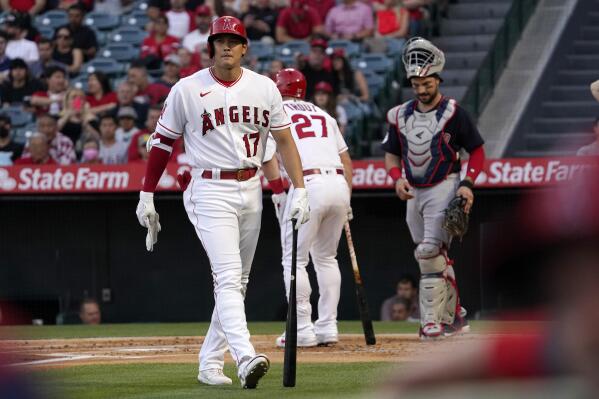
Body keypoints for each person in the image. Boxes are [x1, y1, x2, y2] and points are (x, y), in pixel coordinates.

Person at [135, 16, 309, 388]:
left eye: (234, 40)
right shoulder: (186, 88)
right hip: (209, 187)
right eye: (220, 40)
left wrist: (301, 188)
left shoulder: (265, 88)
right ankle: (246, 358)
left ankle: (209, 363)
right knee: (228, 278)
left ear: (245, 47)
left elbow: (284, 142)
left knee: (238, 283)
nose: (226, 46)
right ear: (211, 46)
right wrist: (146, 193)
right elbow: (162, 143)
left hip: (251, 188)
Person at [381, 37, 485, 339]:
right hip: (413, 190)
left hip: (445, 184)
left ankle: (431, 322)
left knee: (428, 252)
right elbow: (392, 153)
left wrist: (467, 184)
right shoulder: (400, 115)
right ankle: (456, 318)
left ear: (437, 79)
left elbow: (477, 151)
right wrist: (395, 178)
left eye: (426, 83)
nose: (422, 89)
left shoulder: (455, 113)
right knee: (433, 254)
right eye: (416, 84)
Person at [262, 68, 352, 348]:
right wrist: (347, 199)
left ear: (279, 88)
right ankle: (327, 326)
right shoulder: (324, 113)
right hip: (338, 183)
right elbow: (347, 161)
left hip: (308, 184)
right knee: (327, 258)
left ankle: (302, 328)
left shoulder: (277, 112)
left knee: (295, 260)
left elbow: (268, 158)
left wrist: (278, 191)